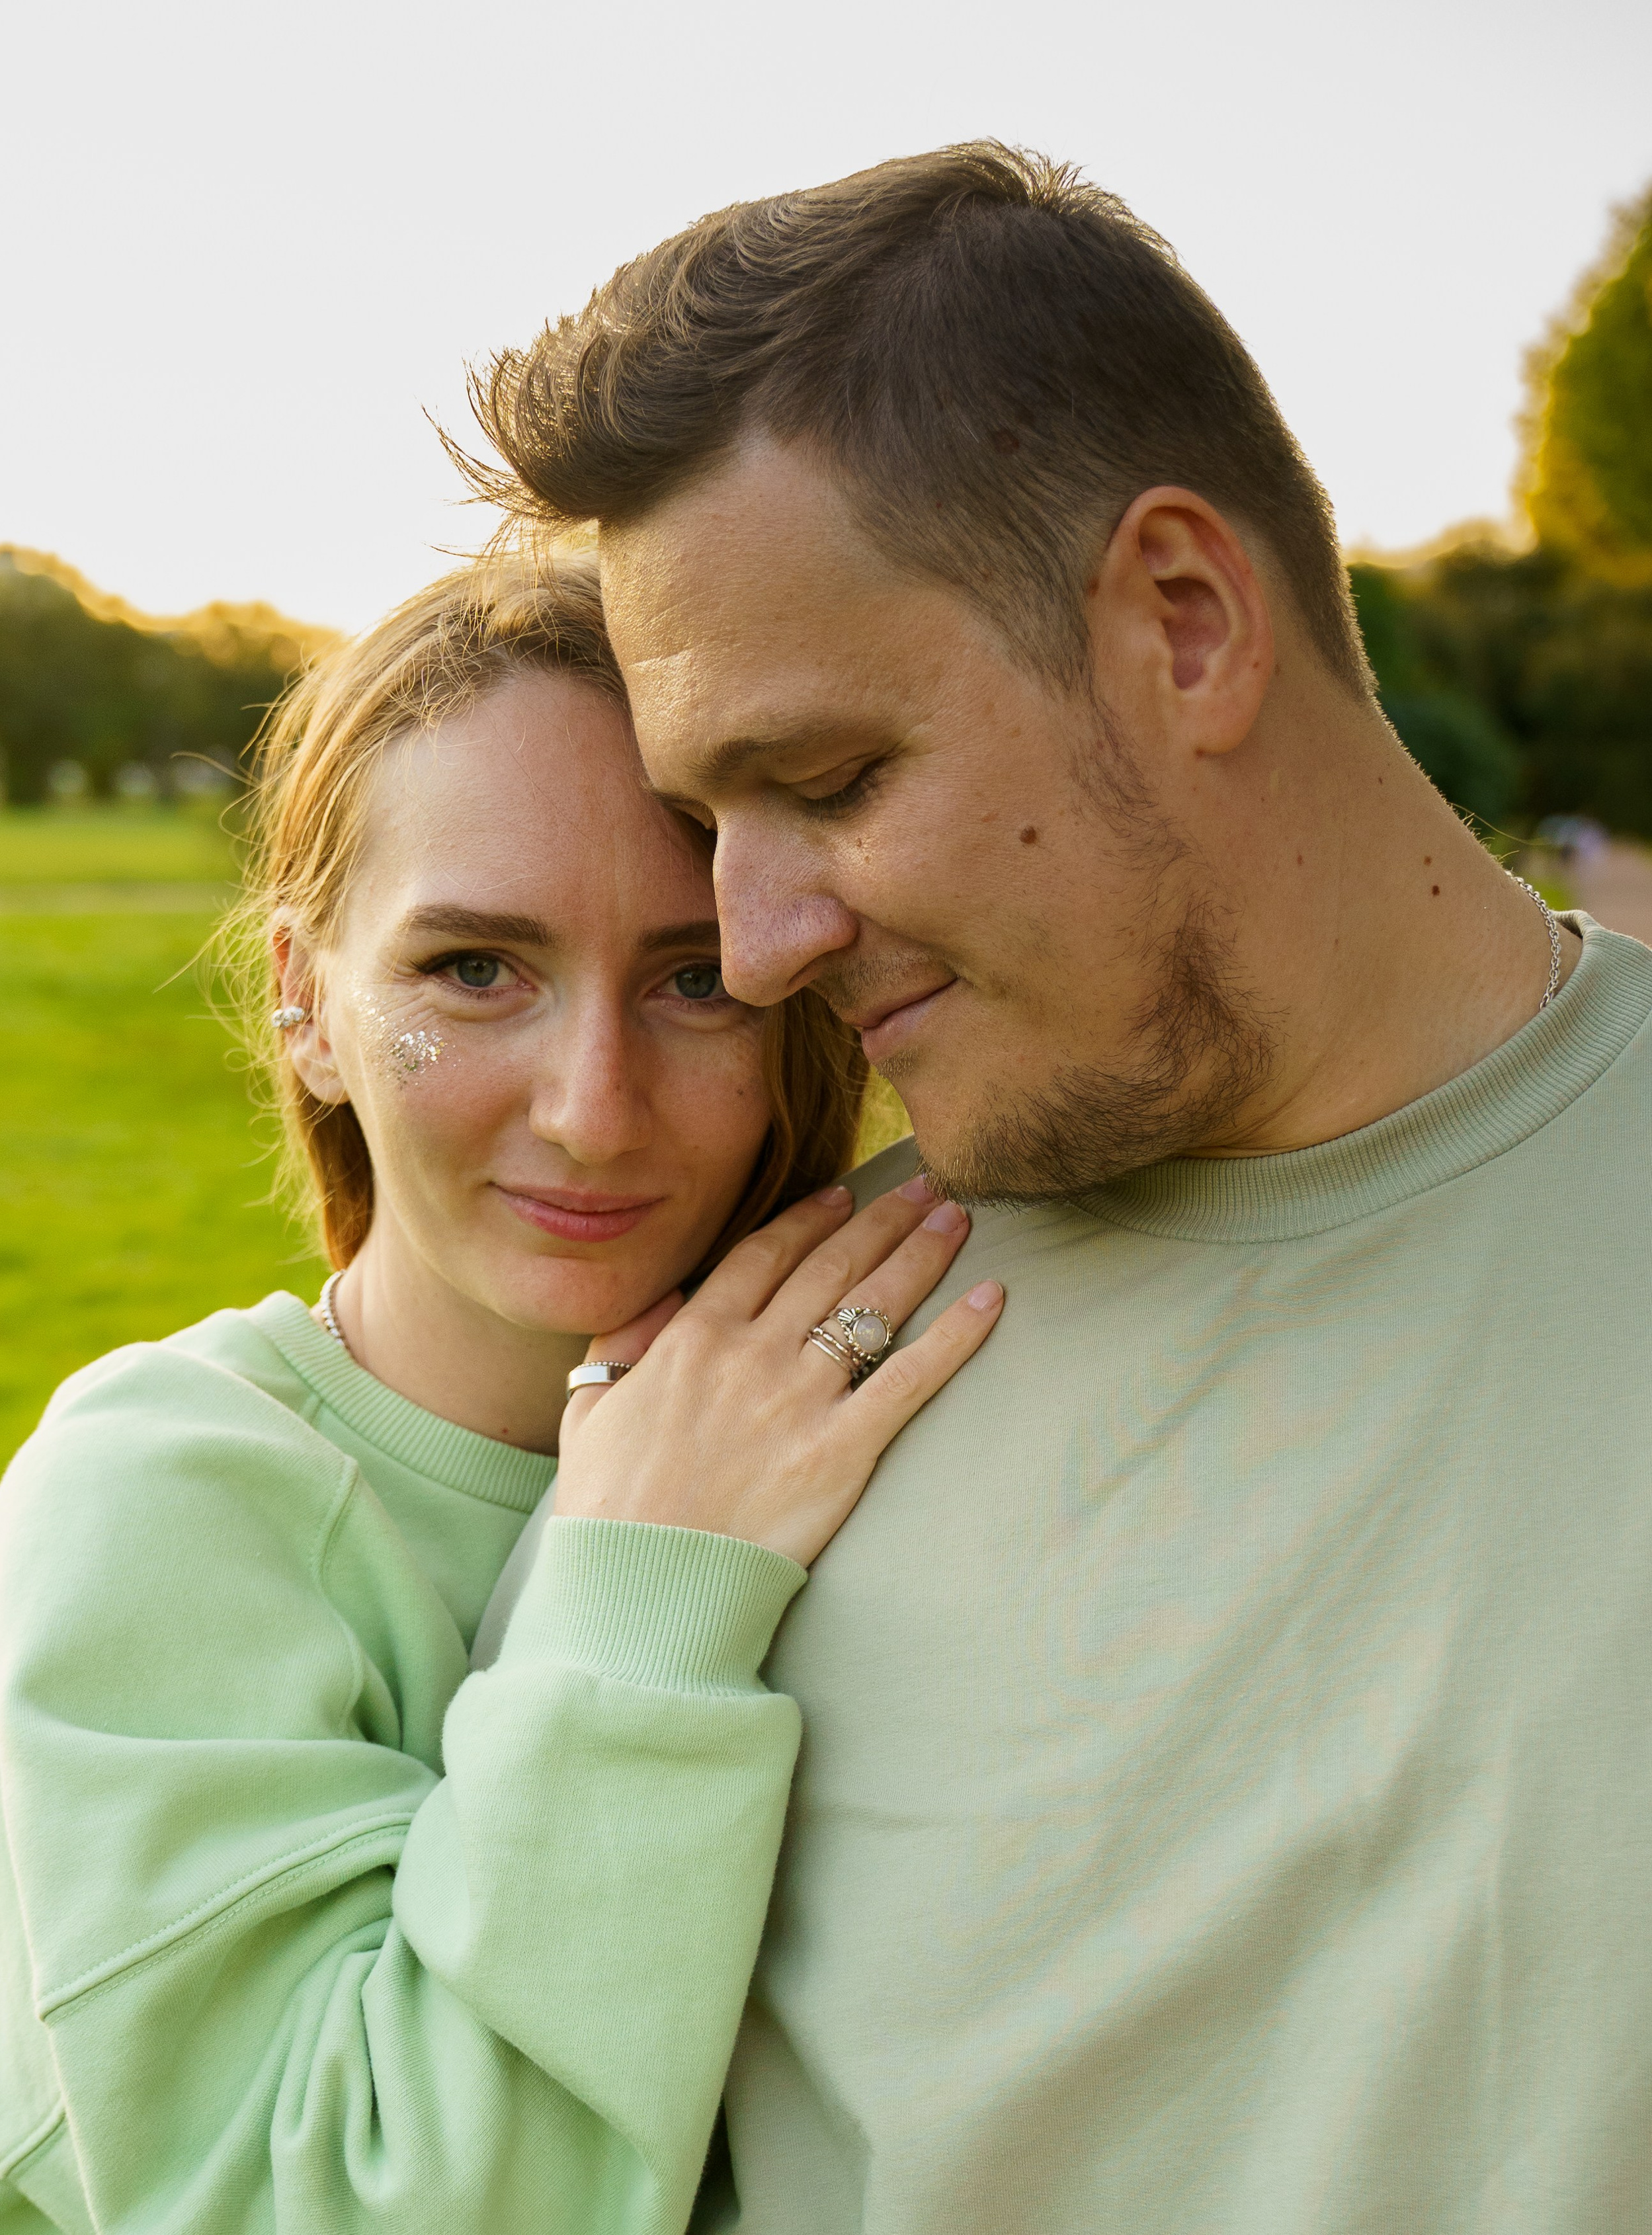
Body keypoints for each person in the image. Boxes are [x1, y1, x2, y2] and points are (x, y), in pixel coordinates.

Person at [473, 145, 1652, 2232]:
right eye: (705, 816)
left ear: (1184, 626)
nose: (752, 949)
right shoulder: (731, 1416)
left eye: (829, 782)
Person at [0, 553, 1004, 2233]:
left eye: (693, 981)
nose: (594, 1111)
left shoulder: (883, 1410)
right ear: (307, 1005)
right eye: (473, 968)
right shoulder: (158, 1491)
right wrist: (639, 1583)